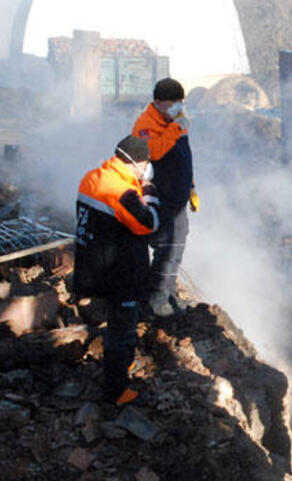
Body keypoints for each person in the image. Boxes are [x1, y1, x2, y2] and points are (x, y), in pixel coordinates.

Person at [74, 135, 159, 405]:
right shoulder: (123, 193)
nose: (147, 167)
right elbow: (149, 224)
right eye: (145, 162)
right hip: (121, 274)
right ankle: (117, 391)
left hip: (93, 267)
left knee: (117, 326)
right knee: (122, 331)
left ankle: (119, 372)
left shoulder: (92, 177)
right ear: (135, 162)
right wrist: (150, 195)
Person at [132, 77, 196, 317]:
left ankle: (165, 291)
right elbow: (154, 152)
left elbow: (183, 156)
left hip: (178, 195)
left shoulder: (176, 122)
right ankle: (156, 299)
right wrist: (175, 128)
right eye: (172, 103)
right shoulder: (145, 124)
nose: (177, 108)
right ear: (158, 102)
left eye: (180, 102)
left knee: (177, 244)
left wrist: (191, 187)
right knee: (168, 246)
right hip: (160, 195)